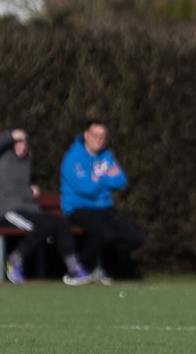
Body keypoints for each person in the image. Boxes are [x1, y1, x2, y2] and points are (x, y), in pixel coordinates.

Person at [0, 128, 92, 285]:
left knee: (60, 222)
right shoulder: (3, 158)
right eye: (17, 143)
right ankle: (14, 260)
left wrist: (32, 187)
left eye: (23, 143)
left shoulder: (26, 162)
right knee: (45, 226)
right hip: (8, 211)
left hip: (28, 210)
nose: (21, 146)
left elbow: (21, 184)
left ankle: (74, 267)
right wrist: (11, 135)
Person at [60, 120, 146, 284]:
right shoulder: (73, 158)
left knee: (136, 237)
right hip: (79, 208)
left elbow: (121, 180)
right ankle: (78, 269)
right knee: (105, 234)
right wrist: (107, 178)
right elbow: (86, 188)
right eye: (95, 136)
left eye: (102, 137)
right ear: (86, 135)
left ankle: (107, 270)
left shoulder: (106, 155)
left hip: (104, 207)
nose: (99, 140)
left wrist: (99, 178)